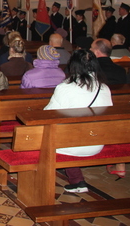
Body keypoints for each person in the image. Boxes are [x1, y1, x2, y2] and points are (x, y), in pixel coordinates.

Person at [44, 49, 112, 193]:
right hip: (97, 141)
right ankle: (77, 180)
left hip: (73, 143)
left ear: (73, 66)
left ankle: (42, 183)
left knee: (50, 133)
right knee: (74, 131)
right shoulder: (104, 88)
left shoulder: (65, 88)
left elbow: (48, 114)